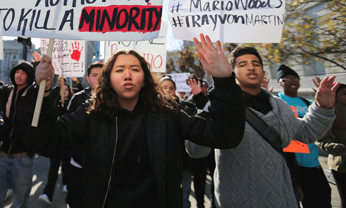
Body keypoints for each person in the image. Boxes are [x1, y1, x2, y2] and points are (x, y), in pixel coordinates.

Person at [31, 34, 246, 207]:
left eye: (135, 69)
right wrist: (45, 91)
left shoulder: (169, 114)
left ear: (145, 80)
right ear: (108, 80)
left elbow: (225, 134)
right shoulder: (91, 114)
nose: (127, 75)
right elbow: (48, 140)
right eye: (119, 70)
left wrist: (225, 82)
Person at [189, 46, 338, 207]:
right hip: (235, 201)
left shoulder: (280, 106)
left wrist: (323, 108)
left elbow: (306, 133)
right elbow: (195, 151)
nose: (251, 67)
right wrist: (215, 103)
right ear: (232, 73)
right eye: (243, 64)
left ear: (263, 71)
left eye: (256, 63)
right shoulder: (219, 104)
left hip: (282, 200)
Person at [0, 52, 38, 208]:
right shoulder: (7, 91)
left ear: (30, 76)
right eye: (17, 72)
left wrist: (39, 67)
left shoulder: (34, 95)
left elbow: (45, 90)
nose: (18, 75)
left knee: (21, 202)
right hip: (1, 155)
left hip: (23, 158)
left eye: (23, 73)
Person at [277, 64, 331, 208]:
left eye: (295, 78)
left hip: (313, 166)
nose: (292, 81)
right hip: (291, 168)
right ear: (279, 82)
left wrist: (325, 103)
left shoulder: (308, 103)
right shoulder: (277, 103)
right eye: (287, 79)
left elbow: (322, 128)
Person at [64, 61, 103, 208]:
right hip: (78, 162)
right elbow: (67, 125)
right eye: (94, 75)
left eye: (101, 75)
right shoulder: (78, 98)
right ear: (88, 78)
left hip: (102, 165)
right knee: (75, 199)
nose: (98, 79)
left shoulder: (115, 99)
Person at [159, 76, 193, 208]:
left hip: (182, 164)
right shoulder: (150, 111)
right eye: (164, 88)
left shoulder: (184, 109)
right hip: (160, 166)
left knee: (184, 197)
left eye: (171, 88)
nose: (168, 91)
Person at [39, 83, 73, 205]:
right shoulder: (54, 104)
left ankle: (66, 183)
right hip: (56, 142)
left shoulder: (73, 104)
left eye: (66, 90)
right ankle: (47, 193)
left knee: (67, 165)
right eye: (62, 89)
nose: (64, 92)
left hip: (69, 142)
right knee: (53, 168)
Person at [186, 78, 216, 208]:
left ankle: (215, 202)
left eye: (205, 86)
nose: (205, 88)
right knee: (199, 178)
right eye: (203, 85)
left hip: (213, 148)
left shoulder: (214, 102)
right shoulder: (188, 104)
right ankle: (199, 203)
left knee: (216, 177)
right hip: (198, 148)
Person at [318, 83, 346, 207]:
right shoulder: (329, 113)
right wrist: (339, 149)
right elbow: (321, 140)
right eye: (345, 94)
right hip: (341, 165)